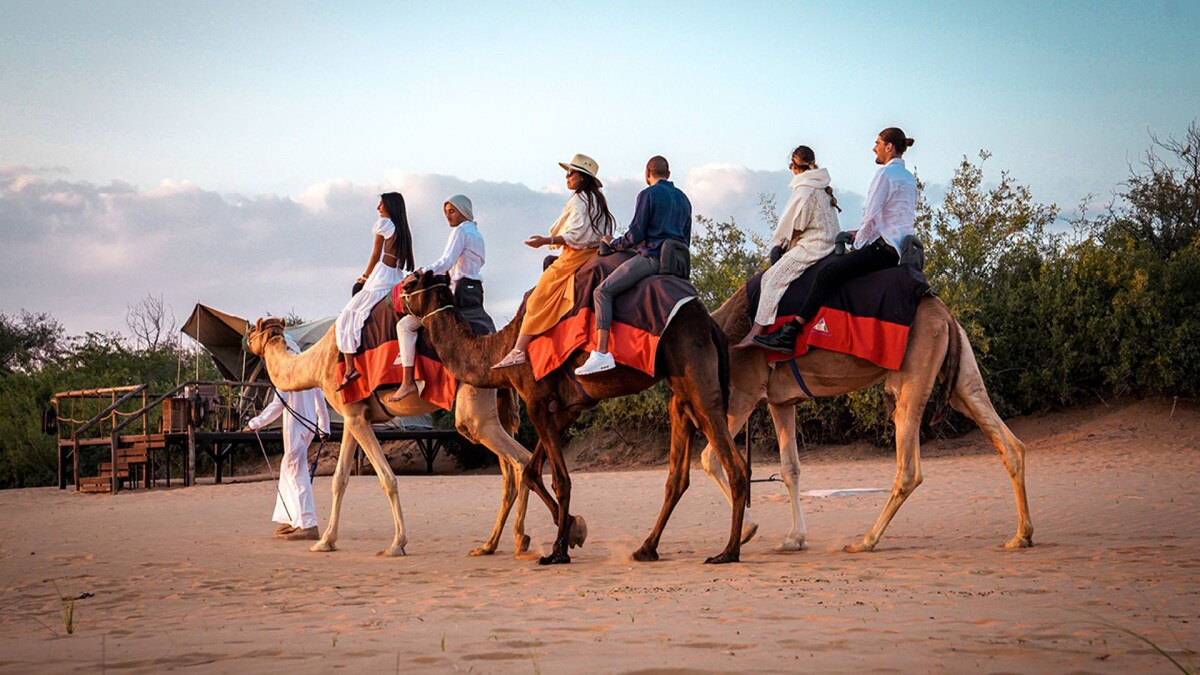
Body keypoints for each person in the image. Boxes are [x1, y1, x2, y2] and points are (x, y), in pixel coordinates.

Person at [755, 127, 917, 353]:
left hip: (882, 249)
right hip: (897, 249)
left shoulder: (885, 174)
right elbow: (890, 220)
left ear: (889, 147)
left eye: (877, 143)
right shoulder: (908, 178)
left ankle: (790, 332)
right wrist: (854, 233)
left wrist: (857, 245)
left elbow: (870, 215)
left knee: (827, 274)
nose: (874, 148)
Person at [492, 153, 615, 369]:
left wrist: (545, 241)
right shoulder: (598, 200)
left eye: (571, 172)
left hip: (575, 255)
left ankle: (519, 349)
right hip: (593, 253)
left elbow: (576, 236)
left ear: (583, 177)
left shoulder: (580, 200)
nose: (567, 176)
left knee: (539, 295)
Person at [574, 155, 692, 375]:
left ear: (647, 174)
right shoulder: (684, 199)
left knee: (602, 291)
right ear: (669, 174)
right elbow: (686, 237)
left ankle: (601, 353)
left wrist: (614, 243)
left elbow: (635, 234)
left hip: (653, 258)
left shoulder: (647, 194)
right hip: (678, 264)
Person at [733, 145, 840, 350]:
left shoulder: (805, 189)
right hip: (829, 242)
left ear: (793, 165)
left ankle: (756, 332)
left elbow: (796, 224)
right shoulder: (820, 185)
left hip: (814, 245)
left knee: (771, 278)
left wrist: (781, 245)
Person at [388, 194, 486, 402]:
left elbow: (445, 262)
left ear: (463, 211)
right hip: (475, 292)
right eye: (446, 212)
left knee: (405, 325)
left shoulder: (460, 231)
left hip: (457, 290)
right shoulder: (477, 233)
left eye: (452, 211)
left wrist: (419, 273)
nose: (448, 216)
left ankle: (407, 381)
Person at [244, 336, 331, 540]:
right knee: (288, 468)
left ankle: (308, 524)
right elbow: (320, 395)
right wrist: (323, 426)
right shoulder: (304, 362)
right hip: (308, 425)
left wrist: (255, 423)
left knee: (296, 470)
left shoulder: (287, 367)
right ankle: (290, 518)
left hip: (296, 425)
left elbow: (279, 403)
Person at [335, 192, 415, 389]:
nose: (378, 208)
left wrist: (363, 278)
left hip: (381, 277)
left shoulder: (385, 224)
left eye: (381, 204)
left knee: (347, 316)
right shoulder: (402, 228)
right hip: (395, 276)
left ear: (389, 206)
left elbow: (374, 256)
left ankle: (350, 367)